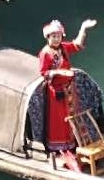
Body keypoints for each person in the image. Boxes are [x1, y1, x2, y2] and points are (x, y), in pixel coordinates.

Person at [39, 17, 97, 168]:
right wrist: (59, 72)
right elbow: (44, 73)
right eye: (54, 36)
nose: (56, 39)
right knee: (59, 120)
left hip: (69, 90)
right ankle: (59, 147)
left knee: (71, 115)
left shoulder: (63, 48)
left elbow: (77, 45)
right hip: (56, 92)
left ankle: (72, 143)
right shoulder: (45, 53)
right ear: (48, 37)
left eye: (58, 36)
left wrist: (83, 28)